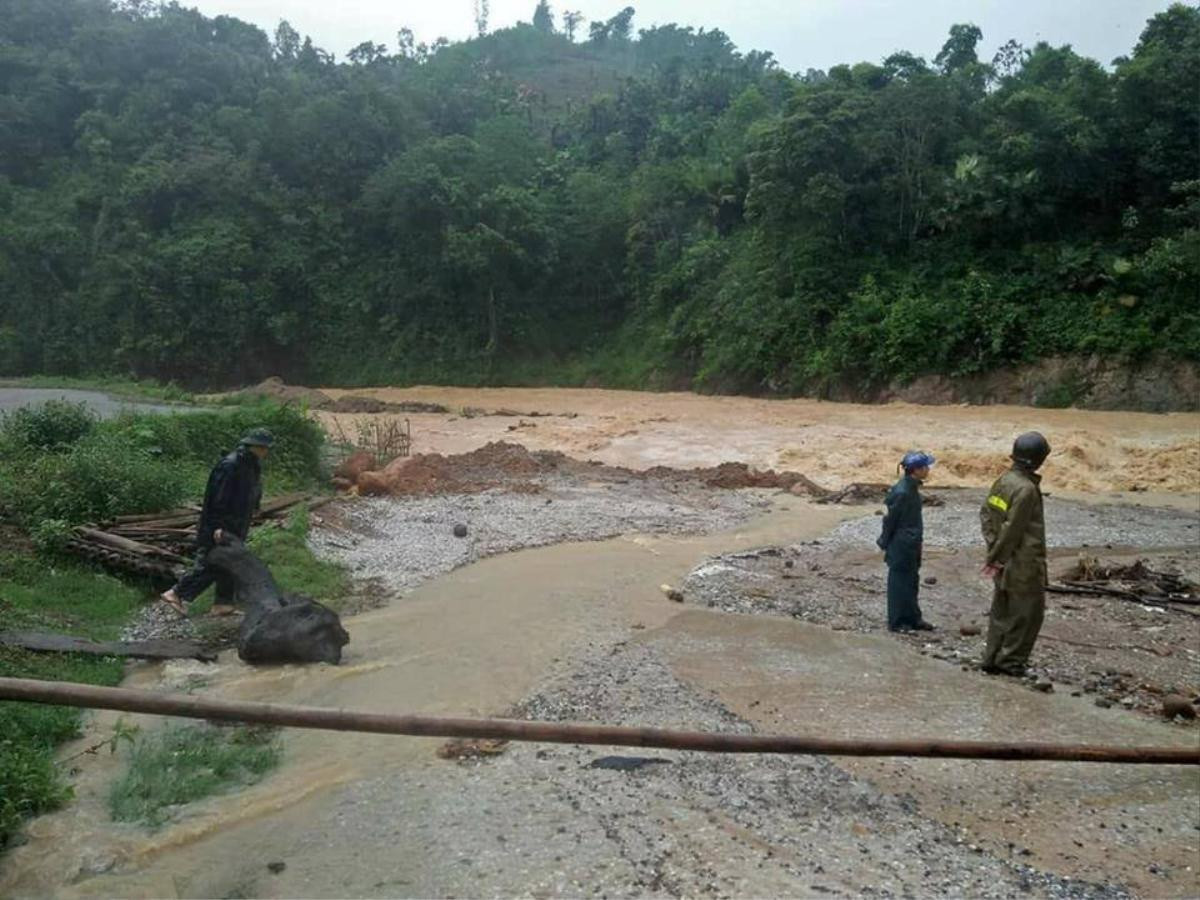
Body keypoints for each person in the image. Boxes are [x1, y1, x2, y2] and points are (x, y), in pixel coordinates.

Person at [160, 428, 273, 617]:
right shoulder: (230, 465)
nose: (267, 451)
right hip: (218, 525)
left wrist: (254, 508)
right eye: (265, 447)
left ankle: (223, 604)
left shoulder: (251, 465)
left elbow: (252, 490)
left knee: (231, 562)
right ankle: (176, 593)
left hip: (237, 523)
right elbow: (219, 499)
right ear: (255, 446)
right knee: (214, 562)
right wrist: (219, 526)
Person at [979, 431, 1050, 676]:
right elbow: (1014, 529)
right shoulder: (1027, 489)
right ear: (1037, 459)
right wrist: (998, 557)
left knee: (1002, 608)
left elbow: (986, 515)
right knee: (1027, 613)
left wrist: (992, 548)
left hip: (1002, 555)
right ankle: (1010, 662)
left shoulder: (1003, 480)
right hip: (1022, 561)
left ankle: (992, 657)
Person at [877, 450, 936, 632]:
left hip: (911, 542)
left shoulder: (911, 488)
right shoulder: (902, 492)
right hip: (901, 544)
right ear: (916, 470)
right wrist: (884, 542)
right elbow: (890, 520)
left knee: (911, 580)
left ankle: (913, 618)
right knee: (899, 583)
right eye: (926, 466)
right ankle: (897, 622)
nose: (928, 469)